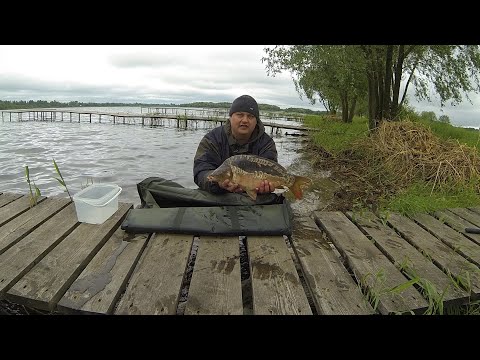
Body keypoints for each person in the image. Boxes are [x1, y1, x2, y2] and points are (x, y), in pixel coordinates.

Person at [193, 94, 278, 196]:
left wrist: (266, 188)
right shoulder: (212, 139)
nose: (245, 120)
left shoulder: (266, 143)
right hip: (219, 195)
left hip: (254, 197)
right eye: (240, 115)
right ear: (231, 117)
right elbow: (201, 172)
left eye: (250, 116)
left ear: (256, 121)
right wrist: (217, 184)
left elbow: (273, 171)